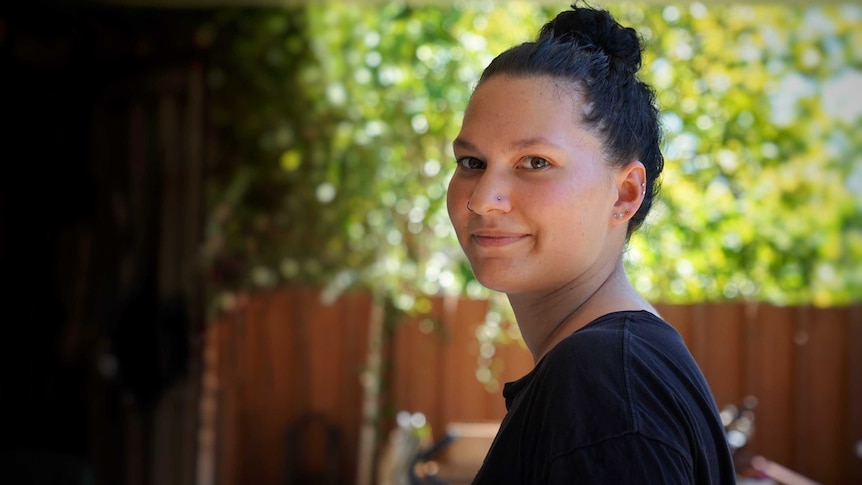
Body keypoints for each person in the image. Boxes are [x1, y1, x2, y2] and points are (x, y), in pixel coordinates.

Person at [446, 3, 737, 484]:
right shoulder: (617, 368)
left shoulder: (606, 385)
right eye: (472, 162)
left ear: (624, 194)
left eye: (535, 162)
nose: (482, 200)